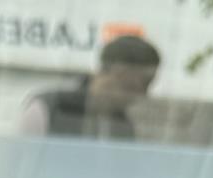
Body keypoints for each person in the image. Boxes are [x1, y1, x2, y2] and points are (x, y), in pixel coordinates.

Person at [20, 34, 162, 139]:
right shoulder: (49, 107)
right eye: (129, 86)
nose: (141, 94)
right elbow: (19, 163)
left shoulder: (124, 127)